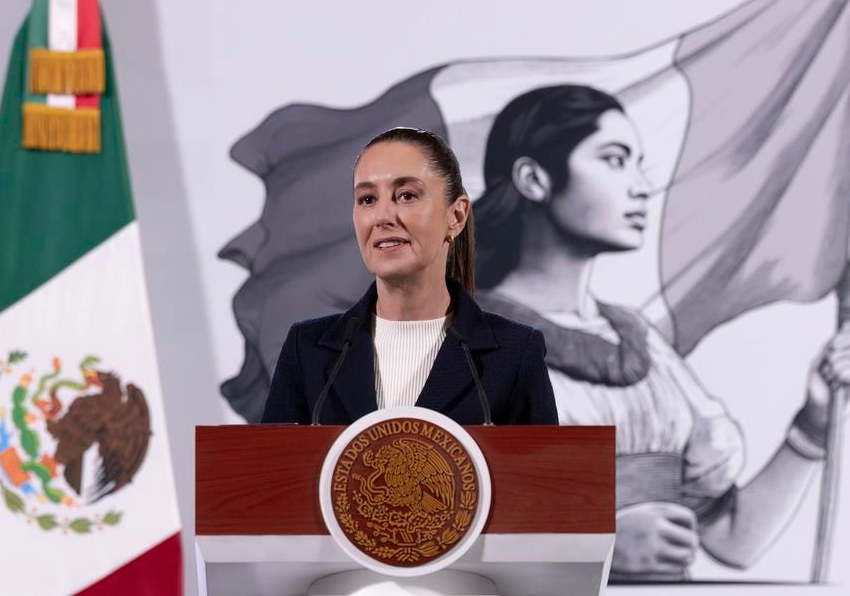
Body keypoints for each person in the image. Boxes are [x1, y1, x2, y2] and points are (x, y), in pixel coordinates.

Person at [473, 85, 850, 581]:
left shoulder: (641, 341)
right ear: (533, 178)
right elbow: (409, 539)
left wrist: (815, 422)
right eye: (614, 159)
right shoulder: (465, 345)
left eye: (638, 162)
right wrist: (595, 549)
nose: (640, 185)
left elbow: (733, 540)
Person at [261, 127, 558, 426]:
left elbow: (545, 473)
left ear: (455, 217)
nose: (382, 217)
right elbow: (268, 471)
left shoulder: (515, 353)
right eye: (367, 199)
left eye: (406, 195)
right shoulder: (308, 350)